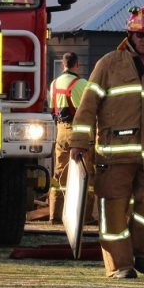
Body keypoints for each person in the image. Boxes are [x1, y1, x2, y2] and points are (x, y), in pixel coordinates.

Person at [69, 6, 144, 279]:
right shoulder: (108, 64)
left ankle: (138, 250)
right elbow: (87, 106)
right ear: (129, 35)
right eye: (139, 35)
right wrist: (79, 141)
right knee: (113, 211)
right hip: (114, 156)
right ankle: (120, 265)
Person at [48, 51, 89, 223]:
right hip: (77, 132)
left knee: (59, 174)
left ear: (63, 65)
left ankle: (55, 215)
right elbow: (86, 111)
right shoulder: (81, 84)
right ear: (77, 64)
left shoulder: (54, 83)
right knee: (87, 173)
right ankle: (86, 217)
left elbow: (52, 109)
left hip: (60, 132)